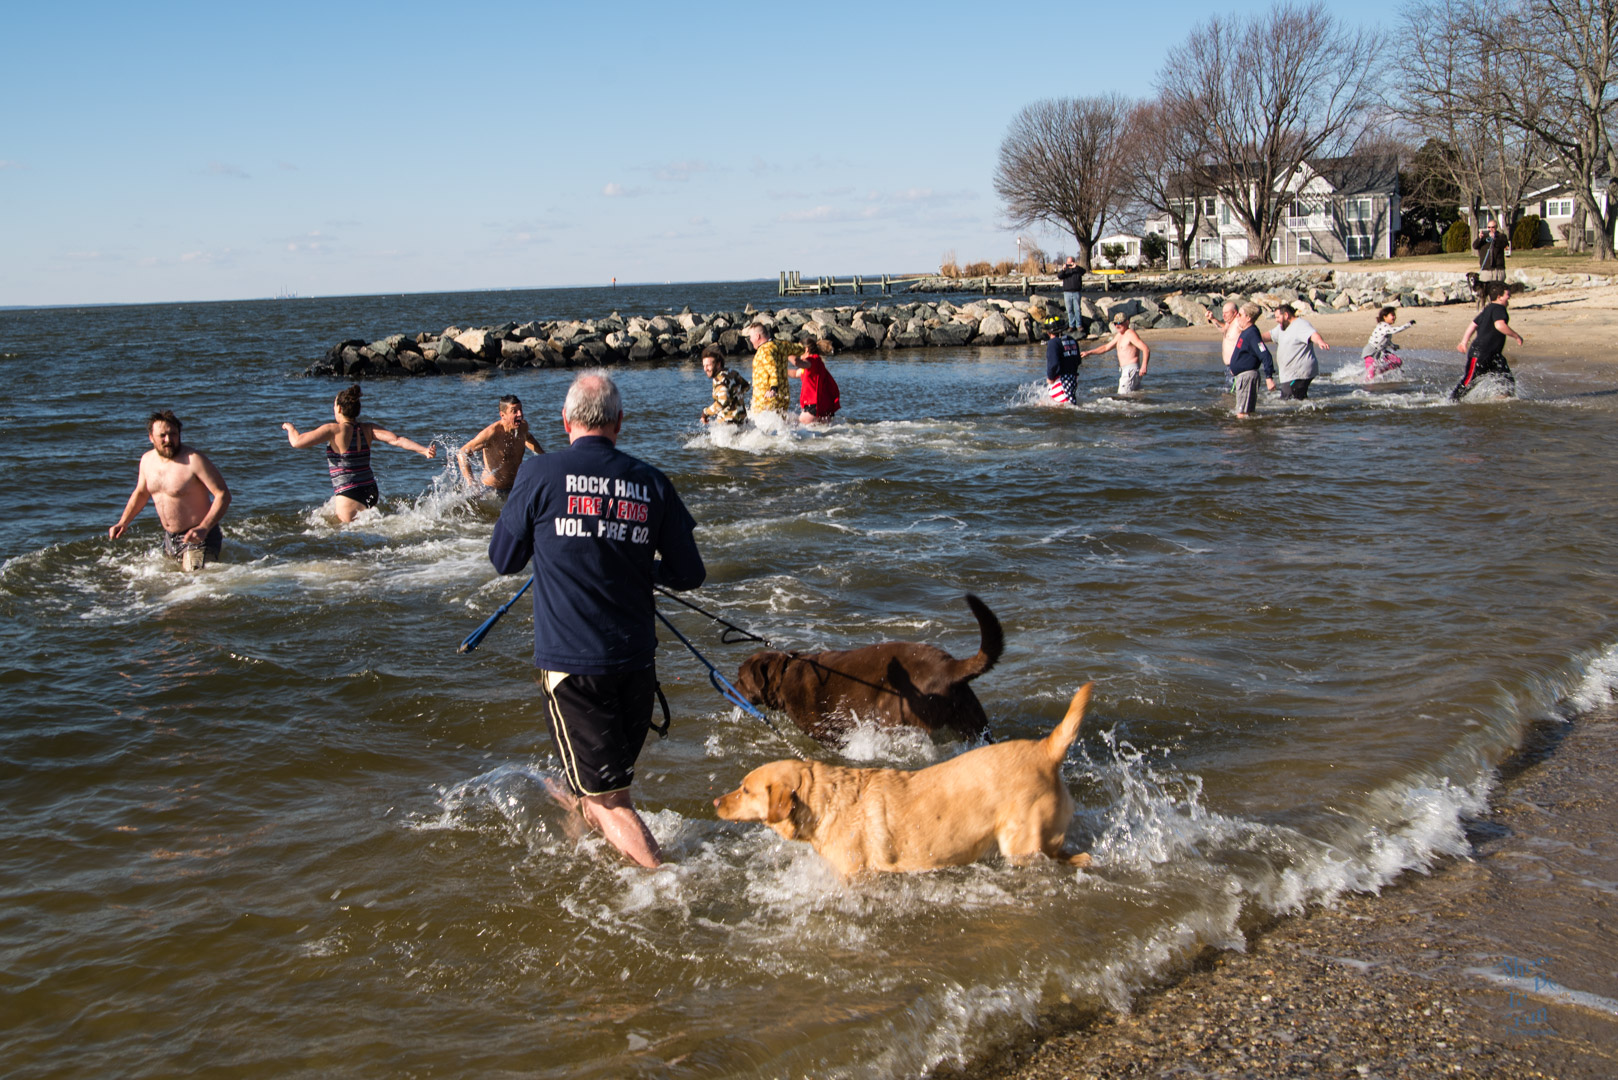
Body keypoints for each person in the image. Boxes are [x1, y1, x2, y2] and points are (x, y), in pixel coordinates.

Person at [488, 371, 705, 868]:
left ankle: (670, 889)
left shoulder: (539, 475)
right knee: (596, 788)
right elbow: (689, 573)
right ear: (620, 423)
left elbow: (504, 559)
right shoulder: (651, 481)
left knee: (611, 800)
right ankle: (587, 866)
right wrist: (634, 564)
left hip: (574, 670)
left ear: (565, 422)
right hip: (637, 667)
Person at [281, 384, 437, 522]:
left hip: (349, 491)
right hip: (370, 489)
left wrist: (290, 428)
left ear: (340, 409)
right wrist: (424, 450)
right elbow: (397, 440)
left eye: (334, 406)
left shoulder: (333, 429)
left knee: (348, 539)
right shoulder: (368, 429)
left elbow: (297, 442)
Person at [109, 410, 231, 568]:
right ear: (151, 437)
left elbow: (223, 494)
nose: (168, 440)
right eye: (162, 436)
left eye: (173, 434)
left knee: (193, 586)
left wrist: (204, 528)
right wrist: (123, 522)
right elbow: (141, 493)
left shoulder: (194, 460)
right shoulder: (147, 460)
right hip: (170, 539)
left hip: (199, 537)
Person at [458, 395, 543, 495]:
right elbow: (462, 453)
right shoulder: (492, 433)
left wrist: (544, 456)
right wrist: (471, 484)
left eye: (520, 409)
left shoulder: (523, 427)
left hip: (514, 487)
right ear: (503, 415)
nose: (520, 414)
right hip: (491, 491)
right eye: (514, 411)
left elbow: (528, 438)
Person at [1453, 281, 1523, 400]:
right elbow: (1499, 325)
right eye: (1507, 295)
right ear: (1499, 297)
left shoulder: (1488, 308)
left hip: (1494, 356)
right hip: (1480, 354)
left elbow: (1473, 325)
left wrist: (1464, 342)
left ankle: (1502, 399)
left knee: (1506, 380)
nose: (1509, 297)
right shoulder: (1499, 308)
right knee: (1469, 381)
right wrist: (1516, 336)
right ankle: (1452, 401)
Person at [1261, 303, 1329, 400]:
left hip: (1299, 373)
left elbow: (1313, 334)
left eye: (1277, 317)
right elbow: (1270, 335)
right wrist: (1254, 338)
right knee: (1297, 399)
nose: (1276, 320)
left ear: (1286, 315)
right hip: (1290, 373)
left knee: (1287, 399)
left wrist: (1320, 341)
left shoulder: (1301, 325)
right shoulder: (1282, 327)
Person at [745, 324, 805, 421]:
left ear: (757, 336)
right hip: (783, 397)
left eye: (751, 337)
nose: (750, 340)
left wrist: (773, 388)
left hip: (766, 399)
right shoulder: (781, 345)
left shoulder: (764, 350)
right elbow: (800, 348)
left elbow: (773, 369)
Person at [1081, 311, 1151, 393]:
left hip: (1131, 369)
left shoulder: (1130, 334)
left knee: (1122, 395)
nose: (1117, 325)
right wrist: (1089, 352)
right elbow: (1106, 347)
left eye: (1120, 323)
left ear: (1127, 322)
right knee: (1135, 395)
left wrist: (1144, 366)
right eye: (1115, 323)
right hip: (1126, 370)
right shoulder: (1119, 335)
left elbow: (1146, 349)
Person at [1228, 303, 1274, 418]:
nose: (1237, 316)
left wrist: (1269, 377)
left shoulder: (1252, 333)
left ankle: (1243, 434)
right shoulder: (1246, 331)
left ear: (1248, 318)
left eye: (1240, 314)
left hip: (1247, 377)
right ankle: (1247, 433)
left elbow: (1265, 355)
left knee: (1242, 413)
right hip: (1243, 376)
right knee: (1244, 412)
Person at [790, 338, 841, 423]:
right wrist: (779, 370)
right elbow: (795, 373)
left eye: (797, 349)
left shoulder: (812, 360)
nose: (796, 352)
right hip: (823, 409)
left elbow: (798, 363)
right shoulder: (814, 363)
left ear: (806, 350)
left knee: (792, 425)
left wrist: (786, 353)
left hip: (813, 407)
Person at [699, 345, 750, 426]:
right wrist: (735, 398)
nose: (705, 369)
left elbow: (723, 400)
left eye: (708, 365)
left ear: (718, 364)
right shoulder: (732, 373)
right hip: (743, 421)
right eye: (704, 366)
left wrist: (705, 413)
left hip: (728, 425)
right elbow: (746, 386)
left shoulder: (719, 379)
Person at [1362, 307, 1416, 380]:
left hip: (1381, 352)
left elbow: (1386, 340)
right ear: (1385, 317)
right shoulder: (1383, 325)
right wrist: (1408, 325)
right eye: (1392, 315)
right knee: (1370, 374)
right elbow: (1395, 330)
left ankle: (1380, 371)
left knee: (1397, 362)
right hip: (1371, 352)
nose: (1394, 317)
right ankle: (1368, 386)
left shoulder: (1387, 327)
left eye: (1394, 315)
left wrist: (1393, 346)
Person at [1205, 300, 1242, 387]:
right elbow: (1223, 330)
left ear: (1235, 312)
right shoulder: (1229, 323)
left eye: (1226, 313)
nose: (1223, 315)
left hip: (1235, 366)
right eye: (1223, 313)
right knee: (1228, 394)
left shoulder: (1238, 322)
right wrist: (1212, 318)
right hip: (1229, 367)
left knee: (1232, 394)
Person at [1045, 323, 1083, 405]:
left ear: (1048, 332)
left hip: (1061, 381)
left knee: (1058, 406)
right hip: (1073, 380)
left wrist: (1050, 377)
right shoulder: (1072, 340)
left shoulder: (1053, 343)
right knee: (1071, 403)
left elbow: (1053, 364)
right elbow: (1078, 361)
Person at [1474, 217, 1510, 293]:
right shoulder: (1484, 237)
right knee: (1487, 291)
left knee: (1499, 290)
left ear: (1496, 227)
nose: (1491, 229)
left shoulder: (1501, 236)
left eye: (1493, 227)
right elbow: (1475, 246)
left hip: (1498, 268)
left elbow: (1504, 244)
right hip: (1486, 268)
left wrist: (1495, 239)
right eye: (1489, 227)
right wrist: (1480, 239)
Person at [1057, 256, 1086, 332]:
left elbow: (1083, 272)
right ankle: (1071, 325)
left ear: (1073, 262)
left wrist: (1075, 267)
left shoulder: (1078, 270)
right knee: (1069, 309)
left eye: (1071, 262)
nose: (1069, 264)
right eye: (1068, 262)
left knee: (1077, 309)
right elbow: (1059, 276)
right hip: (1067, 292)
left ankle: (1079, 325)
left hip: (1076, 292)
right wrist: (1063, 269)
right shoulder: (1065, 270)